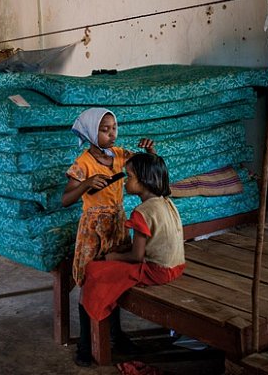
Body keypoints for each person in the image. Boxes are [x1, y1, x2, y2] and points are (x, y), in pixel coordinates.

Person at [61, 108, 155, 367]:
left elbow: (148, 169)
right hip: (93, 230)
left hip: (116, 225)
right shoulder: (83, 164)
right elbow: (66, 199)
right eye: (105, 130)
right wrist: (85, 184)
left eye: (114, 128)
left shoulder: (122, 155)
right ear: (92, 132)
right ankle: (84, 344)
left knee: (113, 280)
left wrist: (151, 152)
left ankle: (116, 334)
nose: (112, 133)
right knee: (90, 282)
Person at [76, 153, 186, 366]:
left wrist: (113, 256)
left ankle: (85, 345)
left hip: (156, 271)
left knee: (93, 272)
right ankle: (115, 335)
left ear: (144, 181)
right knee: (109, 268)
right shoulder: (165, 203)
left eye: (130, 176)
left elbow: (136, 257)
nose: (126, 181)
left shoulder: (142, 212)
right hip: (177, 266)